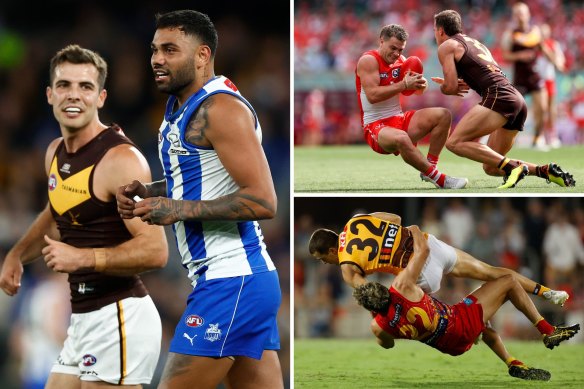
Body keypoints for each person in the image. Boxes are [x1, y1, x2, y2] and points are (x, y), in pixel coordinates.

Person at [115, 10, 283, 389]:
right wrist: (151, 190)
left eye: (170, 49)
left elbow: (264, 200)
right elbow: (200, 180)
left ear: (202, 55)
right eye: (155, 49)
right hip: (236, 283)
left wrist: (177, 209)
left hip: (231, 281)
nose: (157, 58)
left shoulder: (221, 110)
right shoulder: (180, 107)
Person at [0, 45, 169, 387]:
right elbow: (55, 213)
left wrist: (82, 257)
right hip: (83, 318)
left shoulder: (122, 160)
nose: (73, 95)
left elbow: (156, 250)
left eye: (85, 86)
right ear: (50, 94)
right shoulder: (54, 153)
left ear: (101, 97)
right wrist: (17, 255)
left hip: (119, 314)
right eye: (64, 85)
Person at [309, 212, 570, 379]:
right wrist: (413, 230)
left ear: (332, 251)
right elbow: (396, 220)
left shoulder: (376, 313)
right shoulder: (357, 221)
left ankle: (517, 353)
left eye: (322, 259)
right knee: (492, 273)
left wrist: (377, 305)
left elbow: (365, 292)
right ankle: (547, 293)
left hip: (422, 280)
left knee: (429, 313)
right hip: (428, 245)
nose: (325, 264)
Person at [432, 9, 575, 189]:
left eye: (434, 31)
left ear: (440, 31)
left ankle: (513, 167)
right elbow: (485, 71)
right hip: (516, 99)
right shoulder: (476, 43)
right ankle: (544, 171)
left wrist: (445, 86)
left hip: (499, 96)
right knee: (491, 167)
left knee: (454, 143)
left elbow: (451, 88)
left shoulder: (446, 46)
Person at [355, 24, 468, 189]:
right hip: (376, 125)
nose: (397, 54)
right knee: (401, 138)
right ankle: (440, 179)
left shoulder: (401, 61)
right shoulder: (368, 60)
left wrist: (421, 85)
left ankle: (429, 168)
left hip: (398, 118)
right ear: (381, 41)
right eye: (393, 48)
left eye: (400, 50)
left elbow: (415, 92)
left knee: (444, 115)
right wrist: (403, 85)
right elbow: (372, 96)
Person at [501, 2, 548, 150]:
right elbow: (505, 55)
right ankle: (504, 139)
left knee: (542, 107)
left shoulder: (535, 31)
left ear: (528, 14)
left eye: (523, 12)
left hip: (535, 75)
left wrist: (556, 61)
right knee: (512, 110)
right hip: (520, 77)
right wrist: (520, 55)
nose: (520, 16)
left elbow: (542, 47)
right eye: (518, 13)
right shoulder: (510, 34)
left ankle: (537, 138)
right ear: (514, 16)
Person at [536, 23, 566, 148]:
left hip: (549, 79)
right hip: (537, 79)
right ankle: (540, 135)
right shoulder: (535, 45)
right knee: (539, 109)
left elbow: (560, 59)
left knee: (550, 109)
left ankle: (552, 135)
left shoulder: (553, 44)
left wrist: (559, 63)